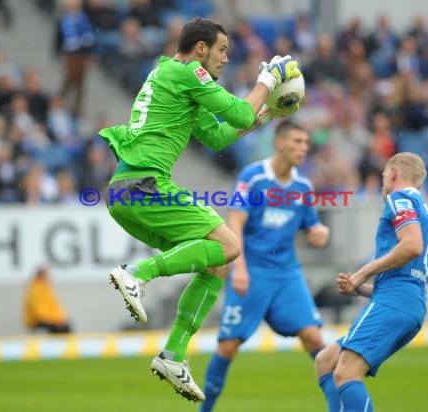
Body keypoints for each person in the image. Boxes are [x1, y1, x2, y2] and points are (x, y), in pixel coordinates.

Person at [98, 17, 302, 402]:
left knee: (218, 261)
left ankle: (174, 354)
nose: (226, 59)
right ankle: (136, 274)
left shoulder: (173, 76)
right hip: (146, 185)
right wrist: (269, 80)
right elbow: (239, 112)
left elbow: (218, 135)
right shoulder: (188, 71)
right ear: (201, 49)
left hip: (126, 192)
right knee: (229, 245)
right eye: (222, 50)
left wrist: (269, 114)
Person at [200, 120, 330, 411]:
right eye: (297, 142)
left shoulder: (303, 186)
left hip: (286, 274)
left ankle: (341, 405)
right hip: (253, 271)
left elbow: (312, 226)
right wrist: (240, 268)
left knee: (314, 338)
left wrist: (320, 232)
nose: (303, 148)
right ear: (279, 143)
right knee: (228, 346)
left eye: (306, 143)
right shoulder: (253, 177)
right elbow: (235, 221)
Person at [314, 152, 428, 412]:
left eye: (383, 177)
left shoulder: (399, 198)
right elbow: (407, 277)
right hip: (407, 302)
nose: (383, 183)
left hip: (395, 302)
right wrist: (361, 289)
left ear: (393, 173)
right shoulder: (424, 210)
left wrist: (363, 272)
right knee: (326, 362)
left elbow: (412, 246)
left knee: (346, 373)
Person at [23, 267, 72, 334]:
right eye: (46, 276)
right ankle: (56, 344)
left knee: (66, 326)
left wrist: (59, 319)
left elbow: (54, 307)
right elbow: (39, 312)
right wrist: (55, 321)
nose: (49, 279)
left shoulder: (45, 289)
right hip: (37, 321)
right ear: (40, 277)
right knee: (59, 328)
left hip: (49, 319)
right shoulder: (35, 291)